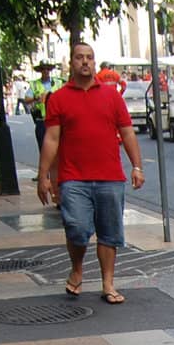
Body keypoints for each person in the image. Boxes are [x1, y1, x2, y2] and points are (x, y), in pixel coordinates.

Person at [35, 41, 145, 304]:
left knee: (109, 233)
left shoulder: (111, 96)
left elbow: (127, 132)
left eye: (89, 58)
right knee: (77, 228)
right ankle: (77, 269)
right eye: (79, 58)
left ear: (95, 63)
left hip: (110, 177)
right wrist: (44, 177)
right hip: (74, 178)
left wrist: (137, 166)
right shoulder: (59, 98)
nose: (85, 62)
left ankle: (108, 283)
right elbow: (51, 139)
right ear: (71, 63)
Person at [26, 61, 55, 163]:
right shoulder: (35, 84)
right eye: (43, 69)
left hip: (56, 120)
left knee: (58, 148)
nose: (45, 71)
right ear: (40, 71)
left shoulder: (57, 82)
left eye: (47, 68)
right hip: (41, 120)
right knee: (43, 147)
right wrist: (36, 97)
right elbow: (27, 99)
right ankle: (44, 173)